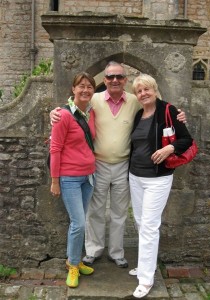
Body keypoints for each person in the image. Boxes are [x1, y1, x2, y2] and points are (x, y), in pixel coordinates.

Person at [50, 61, 186, 269]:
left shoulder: (134, 100)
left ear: (125, 80)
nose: (115, 80)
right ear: (104, 80)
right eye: (110, 77)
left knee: (119, 211)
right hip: (97, 164)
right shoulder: (93, 98)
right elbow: (73, 106)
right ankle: (94, 250)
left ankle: (116, 252)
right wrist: (55, 113)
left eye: (119, 77)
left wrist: (178, 114)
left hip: (124, 164)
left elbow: (156, 105)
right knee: (95, 211)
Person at [128, 74, 193, 298]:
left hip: (158, 178)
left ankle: (145, 280)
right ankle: (145, 266)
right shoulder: (138, 115)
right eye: (139, 91)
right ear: (136, 95)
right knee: (139, 222)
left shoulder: (169, 111)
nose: (143, 93)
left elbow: (187, 140)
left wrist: (169, 149)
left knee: (149, 226)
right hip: (135, 176)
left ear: (154, 90)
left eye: (147, 89)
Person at [50, 72, 96, 288]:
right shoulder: (63, 115)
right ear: (73, 89)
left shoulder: (90, 114)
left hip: (88, 176)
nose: (85, 90)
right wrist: (55, 181)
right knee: (77, 223)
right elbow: (55, 148)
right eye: (81, 86)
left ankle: (75, 259)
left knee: (82, 221)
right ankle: (73, 265)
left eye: (89, 87)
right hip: (69, 178)